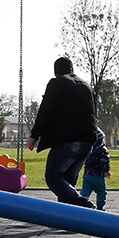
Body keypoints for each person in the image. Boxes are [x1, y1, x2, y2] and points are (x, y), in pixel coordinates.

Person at [27, 57, 98, 208]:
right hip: (88, 140)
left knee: (53, 177)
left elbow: (46, 111)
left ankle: (84, 205)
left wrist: (34, 136)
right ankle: (69, 218)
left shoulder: (57, 83)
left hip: (68, 139)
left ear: (55, 72)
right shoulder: (86, 85)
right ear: (72, 70)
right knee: (68, 180)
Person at [80, 129, 110, 210]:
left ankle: (81, 203)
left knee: (85, 191)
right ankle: (100, 207)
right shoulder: (102, 150)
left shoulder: (88, 148)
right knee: (101, 192)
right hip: (98, 175)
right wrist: (106, 171)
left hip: (87, 174)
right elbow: (104, 161)